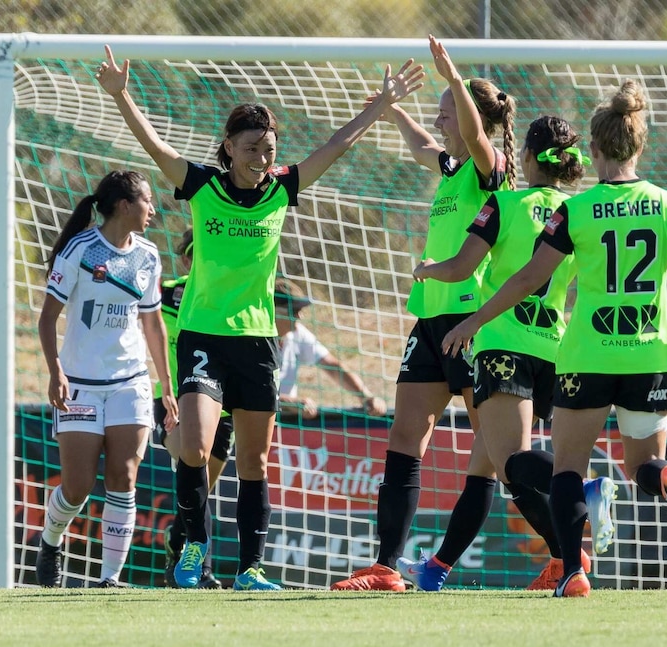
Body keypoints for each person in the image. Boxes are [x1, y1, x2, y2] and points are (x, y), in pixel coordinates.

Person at [96, 44, 424, 590]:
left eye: (269, 149)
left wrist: (380, 106)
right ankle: (195, 547)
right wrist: (121, 95)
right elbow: (154, 146)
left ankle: (250, 568)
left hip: (257, 343)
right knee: (197, 446)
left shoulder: (281, 190)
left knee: (254, 462)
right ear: (229, 147)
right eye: (251, 148)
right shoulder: (200, 184)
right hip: (203, 336)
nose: (261, 157)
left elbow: (335, 146)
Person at [442, 79, 667, 598]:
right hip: (649, 353)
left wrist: (474, 321)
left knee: (567, 469)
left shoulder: (578, 209)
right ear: (639, 145)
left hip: (587, 353)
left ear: (592, 149)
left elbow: (528, 280)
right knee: (641, 466)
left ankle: (572, 573)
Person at [398, 115, 618, 591]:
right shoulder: (578, 213)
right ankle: (437, 569)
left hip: (504, 349)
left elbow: (461, 268)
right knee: (485, 468)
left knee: (514, 466)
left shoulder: (503, 204)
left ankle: (584, 493)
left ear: (526, 158)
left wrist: (430, 269)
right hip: (557, 353)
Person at [332, 35, 516, 592]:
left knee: (500, 455)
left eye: (446, 115)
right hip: (430, 321)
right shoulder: (453, 167)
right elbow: (418, 146)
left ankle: (570, 530)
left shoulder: (492, 168)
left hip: (472, 321)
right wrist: (392, 109)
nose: (439, 125)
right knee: (404, 436)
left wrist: (456, 79)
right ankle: (387, 568)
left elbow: (478, 136)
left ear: (470, 117)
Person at [36, 170, 178, 588]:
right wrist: (55, 371)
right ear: (123, 205)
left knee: (124, 476)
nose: (154, 209)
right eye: (147, 201)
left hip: (129, 382)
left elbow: (153, 324)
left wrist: (165, 385)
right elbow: (47, 318)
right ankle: (50, 541)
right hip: (79, 382)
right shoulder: (80, 249)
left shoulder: (150, 255)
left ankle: (109, 579)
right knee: (78, 487)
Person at [153, 228, 233, 589]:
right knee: (192, 461)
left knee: (201, 490)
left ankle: (177, 540)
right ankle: (202, 568)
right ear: (185, 258)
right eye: (195, 252)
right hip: (171, 401)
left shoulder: (232, 291)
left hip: (225, 408)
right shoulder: (165, 293)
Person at [274, 277, 387, 419]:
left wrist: (366, 396)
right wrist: (286, 402)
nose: (300, 316)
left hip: (285, 423)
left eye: (300, 310)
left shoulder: (297, 334)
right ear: (274, 311)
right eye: (294, 310)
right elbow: (249, 393)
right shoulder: (253, 342)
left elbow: (332, 366)